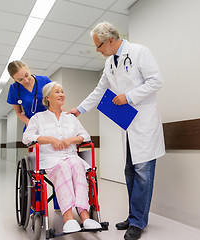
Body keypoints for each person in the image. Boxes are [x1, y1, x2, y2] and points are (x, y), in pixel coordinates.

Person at [68, 22, 165, 240]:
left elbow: (156, 81)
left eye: (99, 45)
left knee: (142, 175)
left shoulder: (139, 52)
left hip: (144, 124)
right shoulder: (110, 63)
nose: (98, 50)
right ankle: (133, 217)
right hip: (129, 126)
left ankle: (138, 222)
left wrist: (128, 97)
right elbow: (98, 91)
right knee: (130, 171)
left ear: (110, 40)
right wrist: (80, 109)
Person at [22, 82, 102, 233]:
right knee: (63, 167)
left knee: (78, 165)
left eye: (62, 92)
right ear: (48, 98)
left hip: (71, 155)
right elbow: (27, 138)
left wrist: (70, 140)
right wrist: (50, 139)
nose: (61, 94)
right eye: (57, 92)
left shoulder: (70, 118)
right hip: (51, 159)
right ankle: (68, 217)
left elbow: (85, 136)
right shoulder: (38, 118)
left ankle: (85, 215)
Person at [7, 60, 51, 131]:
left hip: (50, 123)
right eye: (20, 80)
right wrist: (29, 122)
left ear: (27, 68)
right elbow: (19, 112)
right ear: (14, 79)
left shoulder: (44, 80)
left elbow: (57, 103)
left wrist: (64, 117)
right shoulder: (14, 89)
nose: (26, 81)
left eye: (26, 75)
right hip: (32, 126)